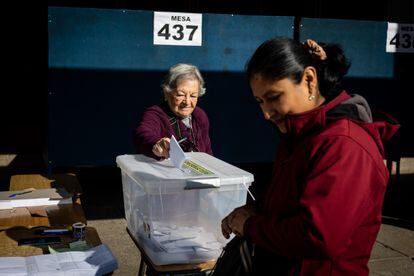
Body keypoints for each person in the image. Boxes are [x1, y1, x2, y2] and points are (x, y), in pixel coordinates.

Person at [220, 37, 399, 275]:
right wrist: (254, 211)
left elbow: (318, 235)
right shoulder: (299, 135)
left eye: (274, 97)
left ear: (309, 80)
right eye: (260, 101)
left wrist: (250, 225)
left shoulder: (344, 145)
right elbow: (291, 202)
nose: (266, 113)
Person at [134, 63, 213, 159]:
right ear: (166, 93)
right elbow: (142, 134)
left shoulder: (200, 116)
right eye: (180, 95)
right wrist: (157, 144)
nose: (187, 102)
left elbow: (208, 154)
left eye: (193, 96)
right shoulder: (155, 114)